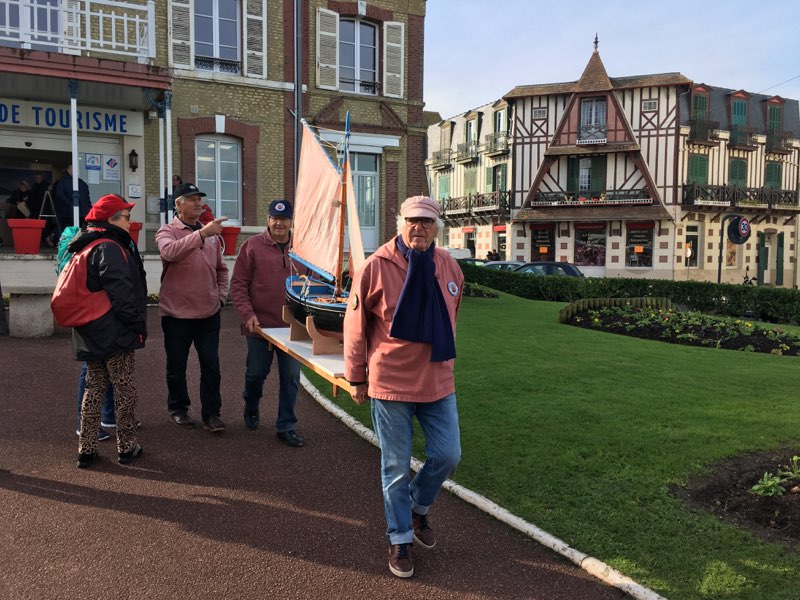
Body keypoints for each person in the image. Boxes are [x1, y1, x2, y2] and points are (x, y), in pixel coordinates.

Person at [343, 195, 464, 578]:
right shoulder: (376, 266)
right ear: (400, 223)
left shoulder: (448, 267)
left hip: (438, 380)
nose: (419, 228)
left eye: (427, 222)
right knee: (395, 466)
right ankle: (399, 539)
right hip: (391, 383)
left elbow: (452, 318)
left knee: (448, 455)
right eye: (412, 220)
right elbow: (355, 325)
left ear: (437, 227)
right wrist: (356, 376)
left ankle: (416, 508)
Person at [70, 194, 148, 468]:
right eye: (126, 216)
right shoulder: (110, 247)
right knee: (124, 389)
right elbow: (121, 293)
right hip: (114, 331)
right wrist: (137, 323)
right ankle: (127, 447)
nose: (130, 221)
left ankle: (87, 448)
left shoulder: (86, 244)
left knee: (94, 389)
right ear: (112, 219)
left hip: (91, 330)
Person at [156, 182, 230, 432]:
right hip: (176, 313)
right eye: (192, 199)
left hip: (209, 312)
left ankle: (212, 414)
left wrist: (220, 297)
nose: (198, 203)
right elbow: (169, 253)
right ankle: (178, 409)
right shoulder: (167, 231)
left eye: (200, 199)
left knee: (211, 364)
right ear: (178, 204)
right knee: (177, 365)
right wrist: (201, 235)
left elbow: (222, 270)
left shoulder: (211, 235)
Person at [230, 199, 304, 446]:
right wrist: (248, 315)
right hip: (260, 326)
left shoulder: (304, 249)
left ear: (291, 221)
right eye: (275, 218)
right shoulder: (251, 247)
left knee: (291, 376)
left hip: (293, 328)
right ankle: (251, 403)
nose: (279, 223)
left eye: (284, 219)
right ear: (268, 220)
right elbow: (238, 285)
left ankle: (286, 425)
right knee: (256, 374)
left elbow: (316, 284)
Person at [54, 165, 91, 231]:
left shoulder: (82, 183)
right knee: (70, 232)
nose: (75, 171)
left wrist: (89, 208)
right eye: (73, 169)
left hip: (83, 213)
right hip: (69, 214)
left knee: (81, 232)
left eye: (76, 169)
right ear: (68, 171)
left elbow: (87, 197)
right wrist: (70, 204)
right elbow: (60, 195)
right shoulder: (63, 182)